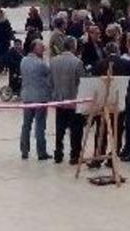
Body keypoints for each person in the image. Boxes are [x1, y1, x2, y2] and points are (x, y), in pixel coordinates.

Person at [50, 36, 85, 164]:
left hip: (59, 100)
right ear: (73, 47)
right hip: (73, 101)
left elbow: (51, 81)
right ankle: (74, 155)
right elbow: (82, 82)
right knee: (76, 130)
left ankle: (58, 154)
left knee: (60, 129)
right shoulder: (77, 62)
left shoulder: (53, 61)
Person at [19, 39, 53, 160]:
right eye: (41, 47)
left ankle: (24, 150)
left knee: (26, 125)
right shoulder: (41, 63)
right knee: (40, 125)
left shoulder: (23, 60)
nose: (43, 48)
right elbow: (49, 74)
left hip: (27, 97)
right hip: (40, 97)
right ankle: (41, 152)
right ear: (34, 48)